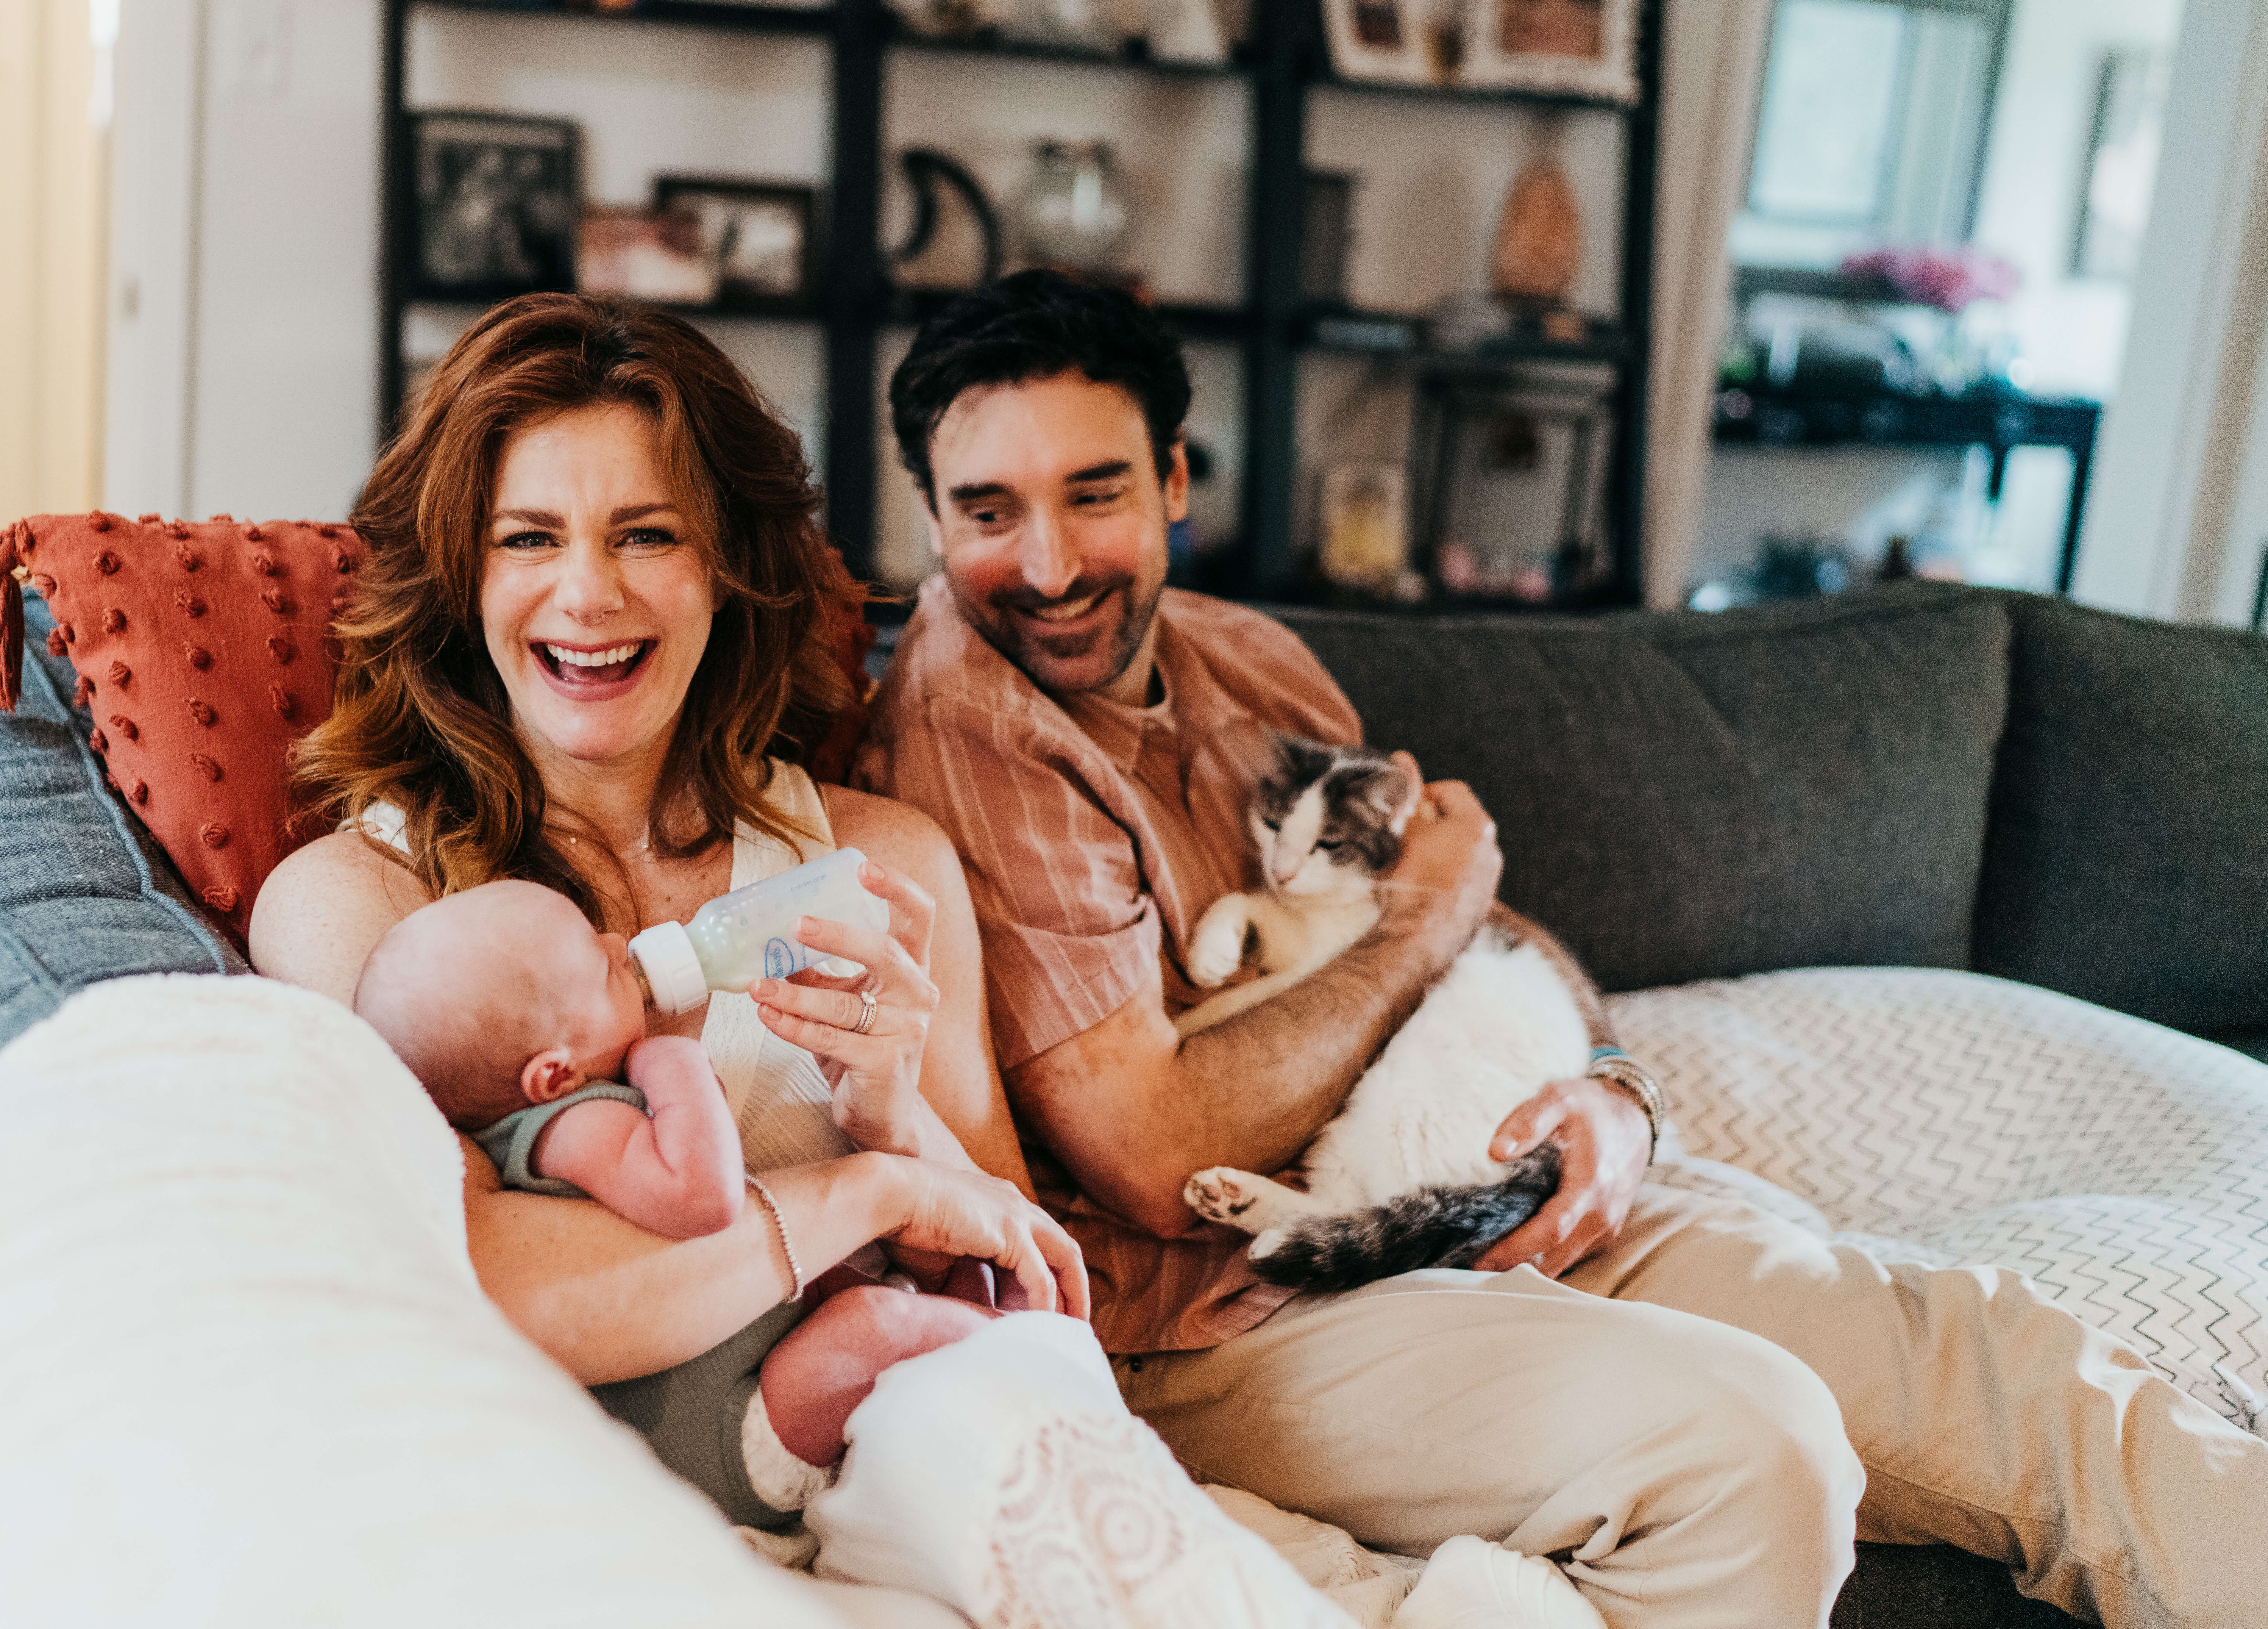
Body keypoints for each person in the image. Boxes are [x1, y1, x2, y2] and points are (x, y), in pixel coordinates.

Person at [852, 268, 2268, 1629]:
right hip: (1228, 1309)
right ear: (928, 515)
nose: (1048, 565)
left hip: (1472, 1185)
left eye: (1093, 492)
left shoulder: (1244, 657)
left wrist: (1607, 1079)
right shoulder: (977, 737)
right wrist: (1423, 914)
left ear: (1172, 479)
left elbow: (1481, 911)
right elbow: (1158, 1149)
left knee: (1987, 1348)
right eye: (988, 510)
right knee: (1756, 1446)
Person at [245, 295, 1379, 1629]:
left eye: (648, 533)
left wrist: (896, 1115)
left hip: (904, 1479)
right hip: (571, 1524)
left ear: (728, 567)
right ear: (460, 578)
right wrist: (862, 1191)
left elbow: (1029, 1301)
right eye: (528, 538)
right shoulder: (361, 906)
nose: (589, 593)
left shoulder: (879, 861)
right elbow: (475, 1276)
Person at [353, 879, 998, 1483]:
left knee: (914, 1291)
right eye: (603, 969)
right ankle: (1018, 1346)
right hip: (730, 1427)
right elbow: (706, 1198)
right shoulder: (574, 1127)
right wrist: (676, 1063)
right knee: (879, 1320)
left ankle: (1002, 1334)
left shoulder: (564, 1113)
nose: (618, 943)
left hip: (760, 1366)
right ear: (554, 1076)